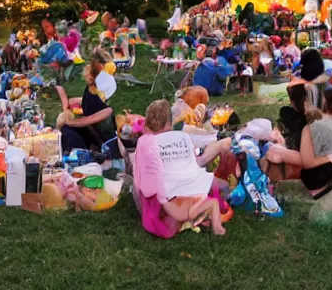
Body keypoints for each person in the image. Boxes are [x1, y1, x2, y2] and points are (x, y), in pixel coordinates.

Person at [132, 98, 230, 237]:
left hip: (165, 196)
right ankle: (222, 197)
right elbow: (192, 165)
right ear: (169, 123)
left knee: (139, 186)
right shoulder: (182, 138)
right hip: (187, 190)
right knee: (213, 181)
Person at [54, 52, 119, 157]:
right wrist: (71, 103)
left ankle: (81, 158)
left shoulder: (107, 97)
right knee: (66, 131)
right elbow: (85, 101)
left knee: (67, 131)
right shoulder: (92, 87)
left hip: (105, 142)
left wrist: (68, 121)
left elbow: (89, 120)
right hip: (92, 131)